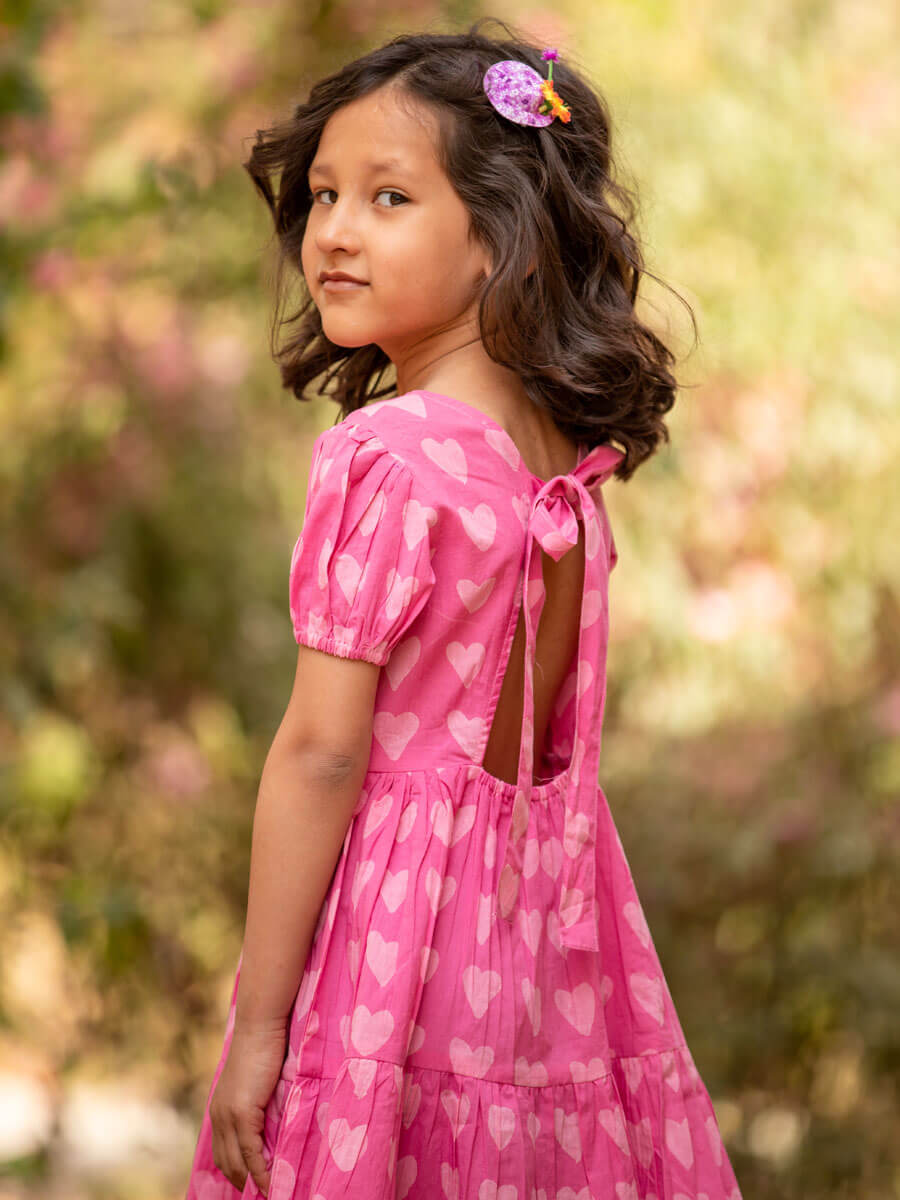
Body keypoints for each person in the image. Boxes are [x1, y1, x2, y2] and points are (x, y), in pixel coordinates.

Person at [184, 18, 743, 1200]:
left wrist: (261, 1027)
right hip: (543, 948)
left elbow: (325, 752)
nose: (335, 230)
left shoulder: (388, 455)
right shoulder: (565, 475)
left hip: (396, 948)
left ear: (501, 240)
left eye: (389, 197)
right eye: (324, 195)